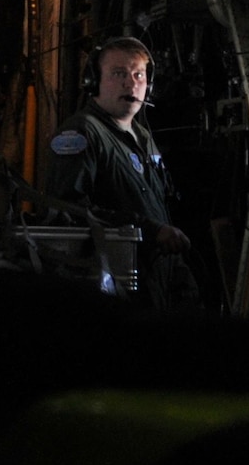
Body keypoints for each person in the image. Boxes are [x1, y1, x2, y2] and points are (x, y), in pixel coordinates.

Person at [44, 36, 201, 308]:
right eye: (119, 73)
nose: (131, 83)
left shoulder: (142, 135)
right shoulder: (81, 134)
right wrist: (150, 231)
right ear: (93, 82)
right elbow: (67, 210)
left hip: (159, 275)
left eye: (138, 75)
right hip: (115, 282)